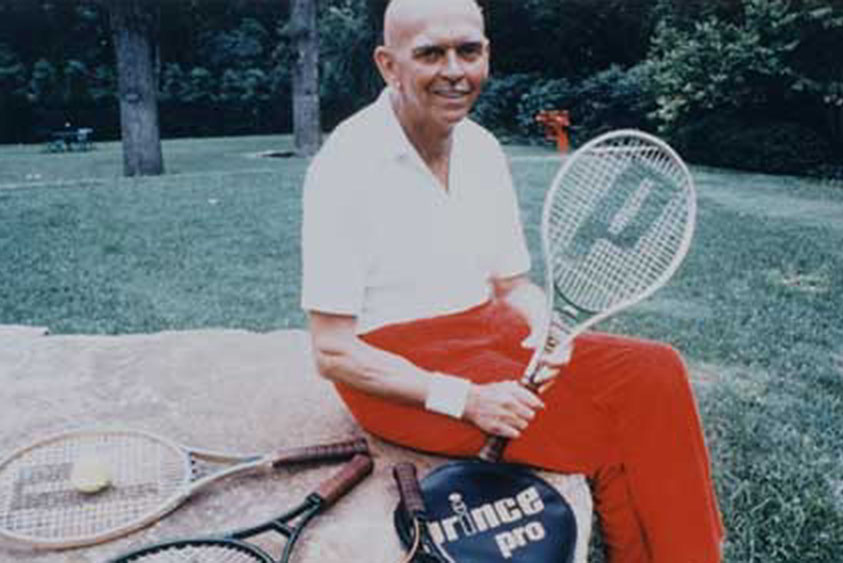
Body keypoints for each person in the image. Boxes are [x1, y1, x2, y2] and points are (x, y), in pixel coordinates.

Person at [300, 0, 724, 561]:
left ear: (487, 54)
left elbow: (512, 288)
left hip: (487, 332)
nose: (455, 70)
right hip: (395, 368)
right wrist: (466, 400)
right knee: (608, 435)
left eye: (468, 51)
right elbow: (333, 351)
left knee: (656, 370)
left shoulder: (482, 148)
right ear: (388, 64)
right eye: (430, 54)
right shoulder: (346, 164)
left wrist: (544, 326)